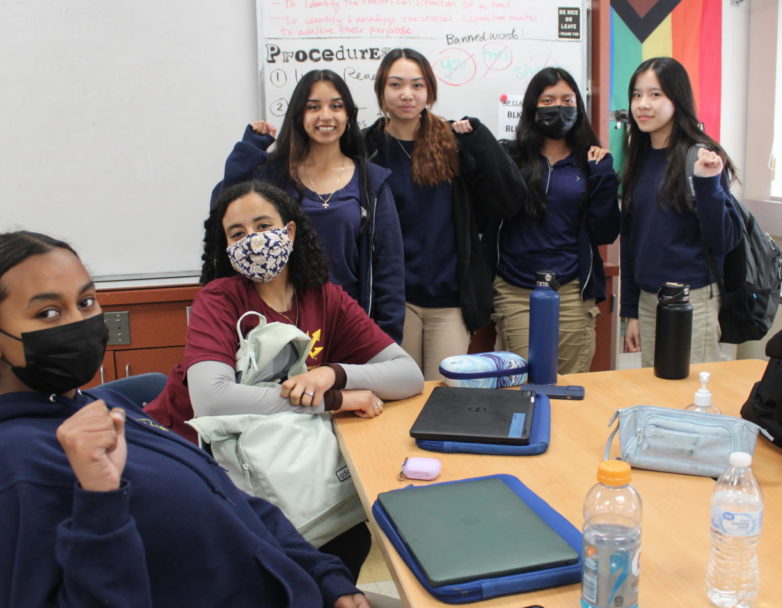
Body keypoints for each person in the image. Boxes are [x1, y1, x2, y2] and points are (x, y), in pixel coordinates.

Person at [0, 230, 377, 608]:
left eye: (87, 301)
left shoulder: (102, 405)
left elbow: (233, 500)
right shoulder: (17, 462)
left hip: (300, 597)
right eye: (48, 313)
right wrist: (99, 500)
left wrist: (323, 577)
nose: (79, 321)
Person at [145, 180, 424, 580]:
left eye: (263, 226)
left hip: (281, 454)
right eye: (237, 234)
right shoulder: (219, 298)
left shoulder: (324, 297)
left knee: (345, 538)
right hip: (199, 456)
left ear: (289, 232)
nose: (253, 241)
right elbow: (212, 398)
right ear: (226, 247)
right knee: (276, 560)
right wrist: (332, 400)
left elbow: (408, 375)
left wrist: (333, 374)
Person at [363, 48, 527, 380]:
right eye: (396, 85)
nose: (407, 94)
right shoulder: (364, 146)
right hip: (395, 301)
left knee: (447, 395)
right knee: (399, 394)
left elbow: (511, 199)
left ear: (430, 93)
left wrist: (480, 138)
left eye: (417, 85)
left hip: (451, 300)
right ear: (381, 90)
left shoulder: (452, 142)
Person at [212, 70, 405, 342]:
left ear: (348, 115)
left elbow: (389, 270)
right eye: (314, 107)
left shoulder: (371, 181)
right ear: (299, 115)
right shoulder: (273, 176)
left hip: (348, 323)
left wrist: (386, 341)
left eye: (336, 106)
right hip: (279, 325)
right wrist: (249, 150)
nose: (326, 115)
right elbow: (223, 212)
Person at [485, 67, 620, 374]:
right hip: (516, 288)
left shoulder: (592, 161)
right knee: (522, 382)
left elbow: (605, 231)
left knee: (567, 385)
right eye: (547, 100)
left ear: (578, 106)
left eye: (566, 99)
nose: (558, 107)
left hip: (571, 288)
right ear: (532, 108)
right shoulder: (509, 157)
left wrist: (602, 176)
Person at [620, 56, 742, 367]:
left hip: (692, 299)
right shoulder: (640, 157)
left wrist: (708, 183)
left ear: (678, 99)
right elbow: (632, 240)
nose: (642, 104)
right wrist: (630, 311)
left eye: (655, 94)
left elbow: (723, 239)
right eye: (636, 95)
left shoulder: (700, 156)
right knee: (658, 397)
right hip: (649, 300)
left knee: (690, 401)